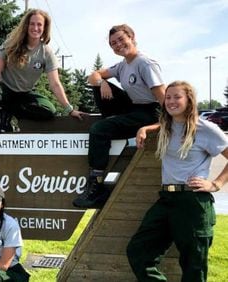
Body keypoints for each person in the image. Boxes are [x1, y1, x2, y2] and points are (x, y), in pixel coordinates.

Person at [127, 81, 228, 281]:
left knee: (194, 265)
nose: (171, 101)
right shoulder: (167, 126)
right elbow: (165, 123)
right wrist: (145, 128)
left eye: (177, 97)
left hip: (193, 202)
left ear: (189, 100)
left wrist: (216, 184)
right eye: (168, 97)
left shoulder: (206, 128)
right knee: (138, 251)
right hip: (166, 199)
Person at [73, 24, 165, 208]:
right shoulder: (123, 66)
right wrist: (102, 82)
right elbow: (93, 76)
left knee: (99, 130)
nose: (118, 45)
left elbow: (164, 100)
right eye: (113, 43)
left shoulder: (145, 64)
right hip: (133, 108)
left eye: (121, 39)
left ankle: (96, 187)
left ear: (132, 37)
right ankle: (111, 121)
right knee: (98, 85)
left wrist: (163, 125)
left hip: (151, 112)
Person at [0, 9, 84, 133]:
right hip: (4, 90)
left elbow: (55, 84)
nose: (35, 28)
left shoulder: (46, 53)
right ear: (26, 25)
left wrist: (69, 109)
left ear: (44, 28)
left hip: (23, 95)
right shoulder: (11, 43)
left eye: (39, 24)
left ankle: (9, 112)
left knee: (49, 110)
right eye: (32, 24)